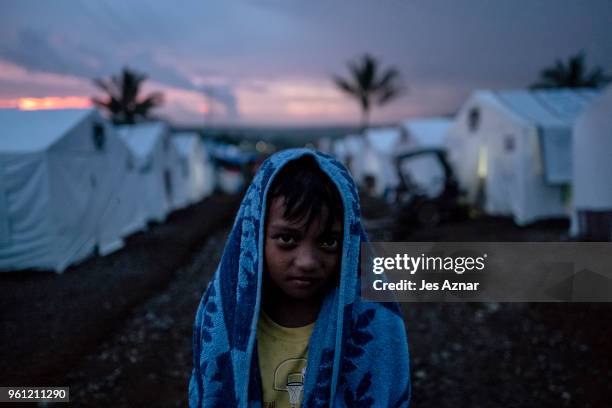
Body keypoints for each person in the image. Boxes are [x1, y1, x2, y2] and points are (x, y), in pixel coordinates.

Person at [189, 149, 411, 407]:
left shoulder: (374, 322)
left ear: (350, 245)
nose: (307, 261)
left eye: (328, 241)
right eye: (287, 239)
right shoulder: (223, 318)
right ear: (255, 237)